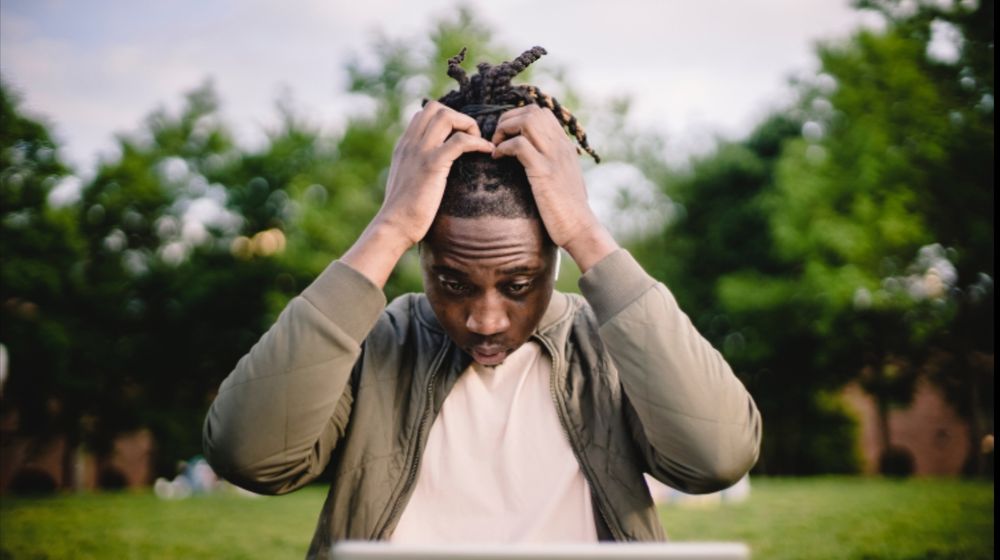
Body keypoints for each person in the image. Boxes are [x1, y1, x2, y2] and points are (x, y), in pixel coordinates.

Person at [202, 46, 761, 559]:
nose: (485, 320)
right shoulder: (374, 343)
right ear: (420, 255)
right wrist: (389, 225)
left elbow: (717, 458)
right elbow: (249, 458)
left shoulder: (613, 344)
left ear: (556, 257)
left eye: (518, 285)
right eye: (452, 282)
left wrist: (587, 230)